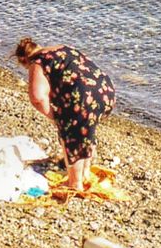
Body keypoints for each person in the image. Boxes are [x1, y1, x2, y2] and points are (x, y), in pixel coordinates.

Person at [14, 38, 115, 191]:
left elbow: (37, 98)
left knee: (71, 135)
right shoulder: (63, 48)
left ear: (24, 60)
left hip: (82, 97)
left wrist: (55, 117)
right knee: (86, 128)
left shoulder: (37, 62)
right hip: (106, 92)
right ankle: (85, 172)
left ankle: (75, 184)